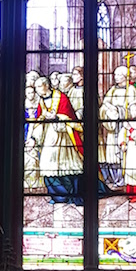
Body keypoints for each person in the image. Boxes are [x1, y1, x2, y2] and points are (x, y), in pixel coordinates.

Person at [34, 74, 84, 202]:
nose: (37, 90)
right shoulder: (41, 100)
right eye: (36, 87)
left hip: (63, 136)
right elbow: (38, 120)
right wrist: (34, 138)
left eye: (39, 87)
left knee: (68, 166)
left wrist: (56, 117)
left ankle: (72, 194)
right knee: (47, 165)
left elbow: (69, 117)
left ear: (46, 86)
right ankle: (58, 196)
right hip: (48, 137)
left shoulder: (61, 97)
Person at [99, 66, 136, 188]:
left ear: (125, 76)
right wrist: (108, 112)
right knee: (112, 156)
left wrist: (118, 110)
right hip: (112, 129)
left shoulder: (131, 90)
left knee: (123, 155)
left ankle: (124, 179)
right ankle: (115, 179)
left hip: (124, 128)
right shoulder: (112, 90)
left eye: (118, 75)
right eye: (115, 75)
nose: (115, 77)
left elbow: (134, 109)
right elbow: (104, 106)